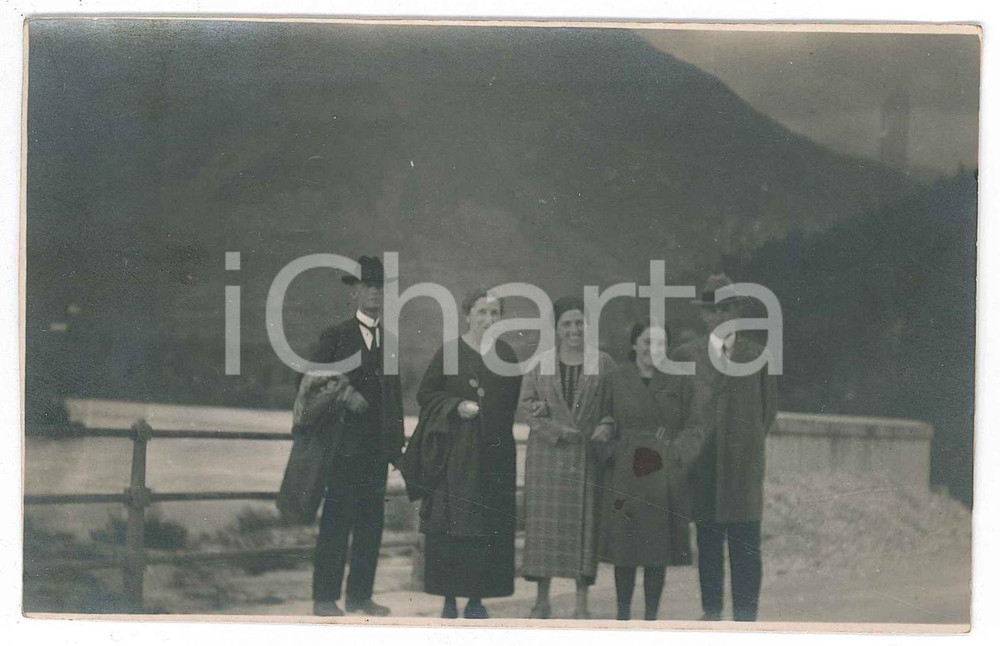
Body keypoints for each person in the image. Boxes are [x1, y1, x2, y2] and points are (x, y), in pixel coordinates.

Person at [404, 287, 523, 619]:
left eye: (495, 313)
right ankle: (448, 599)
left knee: (487, 525)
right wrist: (456, 406)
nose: (488, 319)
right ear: (467, 314)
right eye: (482, 312)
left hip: (495, 454)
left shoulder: (507, 356)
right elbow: (427, 395)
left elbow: (512, 403)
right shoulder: (451, 352)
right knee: (450, 527)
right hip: (455, 455)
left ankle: (476, 598)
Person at [671, 272, 778, 622]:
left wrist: (744, 449)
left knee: (746, 547)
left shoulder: (758, 356)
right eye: (713, 310)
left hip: (742, 467)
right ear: (704, 316)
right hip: (702, 465)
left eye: (728, 308)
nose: (720, 316)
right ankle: (711, 614)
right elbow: (678, 412)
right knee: (709, 545)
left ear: (737, 312)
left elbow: (767, 413)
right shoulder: (687, 356)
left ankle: (747, 621)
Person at [304, 255, 405, 617]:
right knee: (336, 521)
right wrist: (345, 394)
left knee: (370, 525)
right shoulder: (336, 335)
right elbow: (308, 382)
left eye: (379, 286)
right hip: (343, 448)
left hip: (376, 451)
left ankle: (360, 596)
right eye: (368, 286)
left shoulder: (389, 341)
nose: (374, 293)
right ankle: (324, 598)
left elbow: (394, 396)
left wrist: (397, 445)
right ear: (356, 291)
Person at [599, 319, 709, 621]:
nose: (653, 349)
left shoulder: (680, 380)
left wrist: (675, 454)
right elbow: (602, 418)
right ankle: (622, 618)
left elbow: (695, 426)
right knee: (625, 550)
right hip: (626, 474)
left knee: (655, 552)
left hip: (662, 476)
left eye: (661, 343)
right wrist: (613, 452)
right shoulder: (616, 378)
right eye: (648, 341)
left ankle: (651, 621)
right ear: (634, 344)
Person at [519, 296, 616, 619]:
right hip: (548, 459)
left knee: (582, 532)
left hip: (586, 458)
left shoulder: (603, 363)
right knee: (544, 532)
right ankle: (541, 600)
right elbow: (527, 406)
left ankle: (580, 603)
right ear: (557, 329)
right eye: (567, 324)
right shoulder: (540, 364)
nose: (574, 330)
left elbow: (616, 406)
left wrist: (607, 423)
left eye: (579, 323)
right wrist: (554, 429)